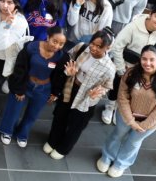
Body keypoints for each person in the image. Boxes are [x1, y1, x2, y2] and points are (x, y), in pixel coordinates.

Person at [98, 45, 156, 178]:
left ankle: (121, 163)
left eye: (152, 59)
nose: (148, 63)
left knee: (134, 142)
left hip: (149, 121)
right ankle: (107, 156)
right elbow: (123, 97)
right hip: (126, 116)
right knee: (117, 135)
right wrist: (131, 121)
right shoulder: (131, 73)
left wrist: (144, 125)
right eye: (144, 59)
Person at [44, 31, 116, 159]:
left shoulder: (109, 67)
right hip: (70, 88)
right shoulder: (82, 47)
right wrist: (68, 70)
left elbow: (107, 86)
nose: (93, 48)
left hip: (86, 97)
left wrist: (98, 93)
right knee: (59, 116)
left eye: (99, 46)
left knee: (75, 126)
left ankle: (63, 148)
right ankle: (52, 141)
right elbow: (68, 58)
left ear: (108, 48)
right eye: (93, 43)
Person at [0, 26, 66, 147]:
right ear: (48, 37)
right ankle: (7, 131)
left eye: (61, 44)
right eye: (55, 41)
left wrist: (55, 93)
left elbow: (58, 76)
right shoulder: (31, 47)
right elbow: (19, 69)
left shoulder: (61, 56)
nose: (57, 46)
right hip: (26, 83)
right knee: (14, 109)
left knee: (32, 114)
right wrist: (19, 89)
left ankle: (22, 134)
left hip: (43, 89)